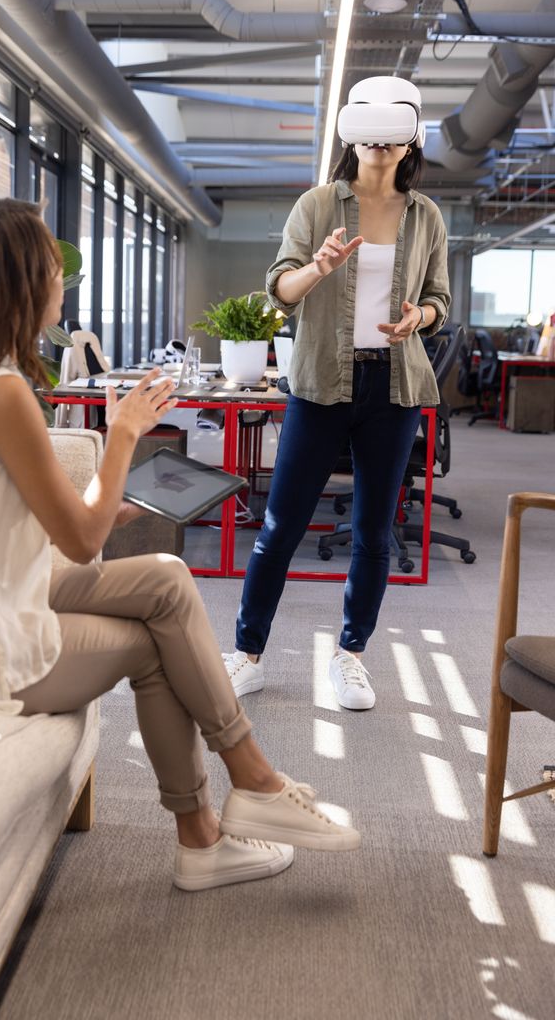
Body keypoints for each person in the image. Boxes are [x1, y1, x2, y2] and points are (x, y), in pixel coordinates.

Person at [0, 197, 360, 894]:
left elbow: (26, 521)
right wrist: (122, 433)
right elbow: (80, 538)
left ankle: (251, 784)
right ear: (20, 283)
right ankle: (212, 827)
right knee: (155, 648)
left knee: (167, 578)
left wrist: (103, 505)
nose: (63, 283)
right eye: (54, 270)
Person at [222, 77, 450, 711]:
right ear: (355, 139)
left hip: (395, 386)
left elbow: (440, 299)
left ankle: (351, 656)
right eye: (369, 138)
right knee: (279, 525)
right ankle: (248, 653)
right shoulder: (318, 204)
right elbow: (279, 290)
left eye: (390, 139)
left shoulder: (426, 214)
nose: (378, 149)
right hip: (321, 380)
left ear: (409, 142)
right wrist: (317, 269)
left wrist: (419, 320)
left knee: (377, 530)